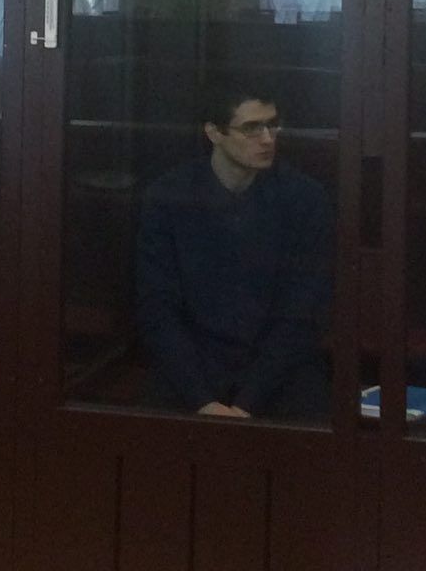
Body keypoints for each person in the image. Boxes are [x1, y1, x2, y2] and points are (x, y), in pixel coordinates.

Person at [135, 84, 333, 419]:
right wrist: (202, 400)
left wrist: (247, 403)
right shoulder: (169, 196)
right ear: (214, 132)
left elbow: (302, 313)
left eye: (272, 125)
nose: (268, 139)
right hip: (194, 366)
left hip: (276, 370)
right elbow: (157, 307)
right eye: (252, 128)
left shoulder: (304, 198)